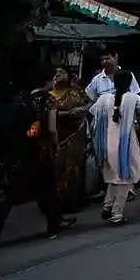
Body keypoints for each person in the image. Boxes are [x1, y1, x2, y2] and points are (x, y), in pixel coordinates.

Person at [0, 63, 77, 245]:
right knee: (46, 186)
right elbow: (52, 129)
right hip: (41, 150)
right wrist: (56, 146)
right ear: (49, 80)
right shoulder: (49, 99)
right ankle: (54, 223)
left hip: (22, 149)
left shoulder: (24, 98)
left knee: (13, 191)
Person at [90, 70, 140, 225]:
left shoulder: (104, 99)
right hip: (126, 146)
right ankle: (116, 214)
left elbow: (94, 118)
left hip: (107, 145)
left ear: (114, 82)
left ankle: (107, 205)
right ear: (130, 83)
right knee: (126, 177)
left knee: (114, 177)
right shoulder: (135, 99)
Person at [50, 67, 90, 213]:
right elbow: (49, 114)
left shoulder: (76, 91)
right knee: (59, 168)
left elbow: (89, 103)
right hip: (58, 135)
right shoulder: (49, 95)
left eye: (62, 72)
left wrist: (81, 110)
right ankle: (60, 202)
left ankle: (76, 200)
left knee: (75, 167)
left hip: (77, 134)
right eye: (56, 72)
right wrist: (67, 113)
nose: (58, 75)